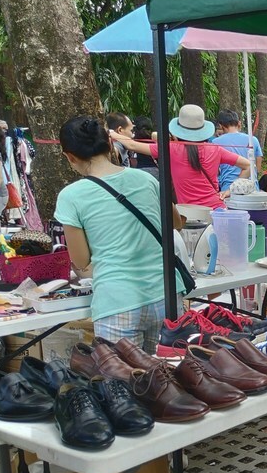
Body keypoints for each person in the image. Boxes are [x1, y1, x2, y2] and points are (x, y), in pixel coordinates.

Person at [55, 116, 184, 350]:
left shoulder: (70, 196)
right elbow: (176, 223)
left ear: (70, 156)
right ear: (110, 145)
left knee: (126, 383)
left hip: (118, 303)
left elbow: (81, 260)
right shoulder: (146, 179)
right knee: (173, 378)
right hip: (167, 295)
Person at [110, 104, 249, 209]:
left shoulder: (171, 149)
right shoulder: (215, 149)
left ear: (179, 129)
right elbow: (247, 165)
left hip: (189, 214)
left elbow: (133, 145)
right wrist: (229, 190)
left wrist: (112, 133)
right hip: (216, 210)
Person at [212, 109, 263, 191]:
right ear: (238, 123)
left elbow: (215, 170)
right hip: (252, 187)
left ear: (221, 126)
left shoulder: (215, 142)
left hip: (228, 188)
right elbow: (258, 167)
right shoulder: (253, 140)